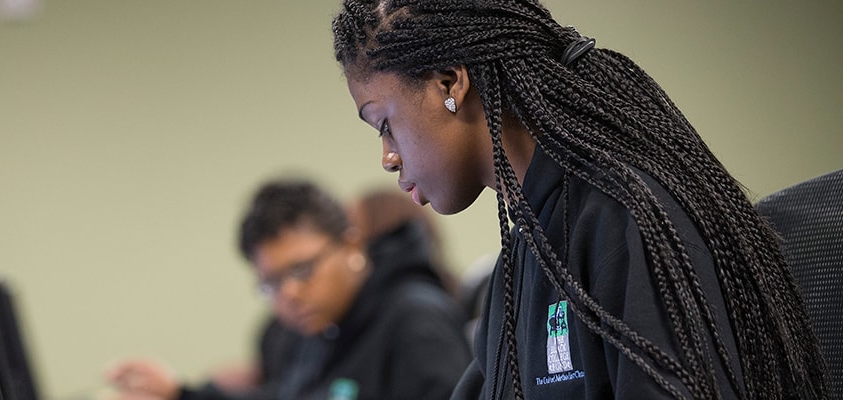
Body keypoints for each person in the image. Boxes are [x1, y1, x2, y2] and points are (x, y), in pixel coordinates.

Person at [331, 1, 826, 399]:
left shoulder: (623, 221)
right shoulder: (525, 252)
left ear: (449, 81)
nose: (388, 158)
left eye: (385, 125)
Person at [106, 179, 472, 400]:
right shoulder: (308, 331)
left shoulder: (415, 321)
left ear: (351, 247)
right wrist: (182, 395)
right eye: (272, 283)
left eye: (302, 270)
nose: (290, 294)